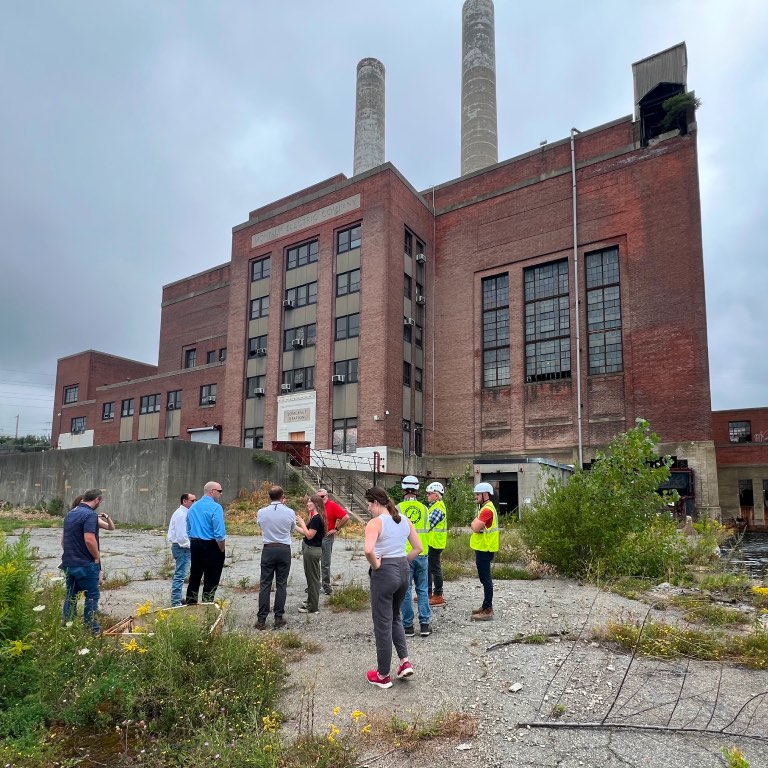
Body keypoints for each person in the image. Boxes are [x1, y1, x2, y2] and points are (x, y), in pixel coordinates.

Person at [363, 486, 422, 689]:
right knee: (395, 616)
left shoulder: (375, 523)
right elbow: (418, 548)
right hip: (403, 570)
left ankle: (383, 675)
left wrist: (377, 565)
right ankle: (404, 661)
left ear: (376, 503)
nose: (368, 508)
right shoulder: (404, 519)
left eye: (369, 504)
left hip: (384, 573)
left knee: (382, 623)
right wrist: (402, 561)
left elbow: (368, 550)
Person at [61, 489, 105, 633]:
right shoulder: (90, 515)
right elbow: (89, 539)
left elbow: (63, 541)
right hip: (86, 564)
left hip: (69, 563)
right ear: (97, 500)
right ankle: (92, 630)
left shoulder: (70, 514)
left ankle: (67, 626)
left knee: (71, 596)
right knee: (92, 596)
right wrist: (97, 558)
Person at [255, 485, 296, 630]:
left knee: (265, 584)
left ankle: (261, 619)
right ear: (282, 496)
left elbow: (261, 526)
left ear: (269, 496)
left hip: (268, 548)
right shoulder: (290, 512)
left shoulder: (262, 512)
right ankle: (278, 617)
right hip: (283, 548)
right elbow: (292, 529)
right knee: (281, 584)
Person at [398, 476, 432, 637]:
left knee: (406, 591)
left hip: (404, 555)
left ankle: (408, 627)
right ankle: (425, 625)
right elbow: (429, 528)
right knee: (423, 590)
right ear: (417, 490)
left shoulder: (397, 509)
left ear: (403, 489)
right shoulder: (425, 509)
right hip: (422, 553)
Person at [184, 481, 226, 605]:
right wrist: (221, 549)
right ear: (211, 491)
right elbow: (219, 532)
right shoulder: (216, 507)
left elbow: (188, 527)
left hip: (195, 544)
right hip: (211, 545)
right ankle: (207, 606)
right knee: (211, 578)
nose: (221, 494)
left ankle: (190, 605)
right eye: (220, 491)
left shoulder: (193, 507)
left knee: (195, 576)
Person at [470, 482, 499, 621]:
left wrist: (475, 524)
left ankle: (488, 609)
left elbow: (475, 527)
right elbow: (475, 526)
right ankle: (485, 606)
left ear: (485, 494)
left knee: (486, 579)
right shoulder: (485, 508)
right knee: (484, 579)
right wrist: (475, 524)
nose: (476, 496)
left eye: (477, 494)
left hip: (485, 548)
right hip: (483, 547)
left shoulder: (487, 509)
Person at [294, 493, 326, 614]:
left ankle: (313, 606)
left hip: (312, 550)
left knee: (313, 579)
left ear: (316, 504)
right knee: (311, 577)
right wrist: (295, 526)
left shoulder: (317, 518)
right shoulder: (315, 517)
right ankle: (310, 601)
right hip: (311, 549)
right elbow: (306, 532)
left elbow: (309, 535)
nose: (307, 503)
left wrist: (302, 522)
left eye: (309, 501)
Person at [317, 488, 350, 595]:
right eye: (319, 497)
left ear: (327, 496)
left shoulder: (332, 505)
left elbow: (346, 517)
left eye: (323, 496)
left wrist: (336, 528)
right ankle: (315, 585)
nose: (321, 499)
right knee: (314, 562)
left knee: (325, 563)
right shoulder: (316, 506)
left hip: (326, 537)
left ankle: (326, 586)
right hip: (316, 537)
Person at [166, 492, 196, 607]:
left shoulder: (185, 513)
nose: (194, 503)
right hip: (182, 548)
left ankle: (178, 598)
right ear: (185, 501)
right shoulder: (181, 515)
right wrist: (192, 546)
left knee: (182, 574)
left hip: (183, 547)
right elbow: (182, 536)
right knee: (180, 575)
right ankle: (175, 602)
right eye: (192, 500)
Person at [425, 481, 447, 606]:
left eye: (430, 493)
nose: (428, 495)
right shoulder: (433, 507)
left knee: (435, 569)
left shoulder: (438, 509)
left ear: (437, 495)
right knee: (428, 568)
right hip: (432, 542)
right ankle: (427, 593)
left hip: (435, 543)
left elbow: (427, 525)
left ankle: (438, 595)